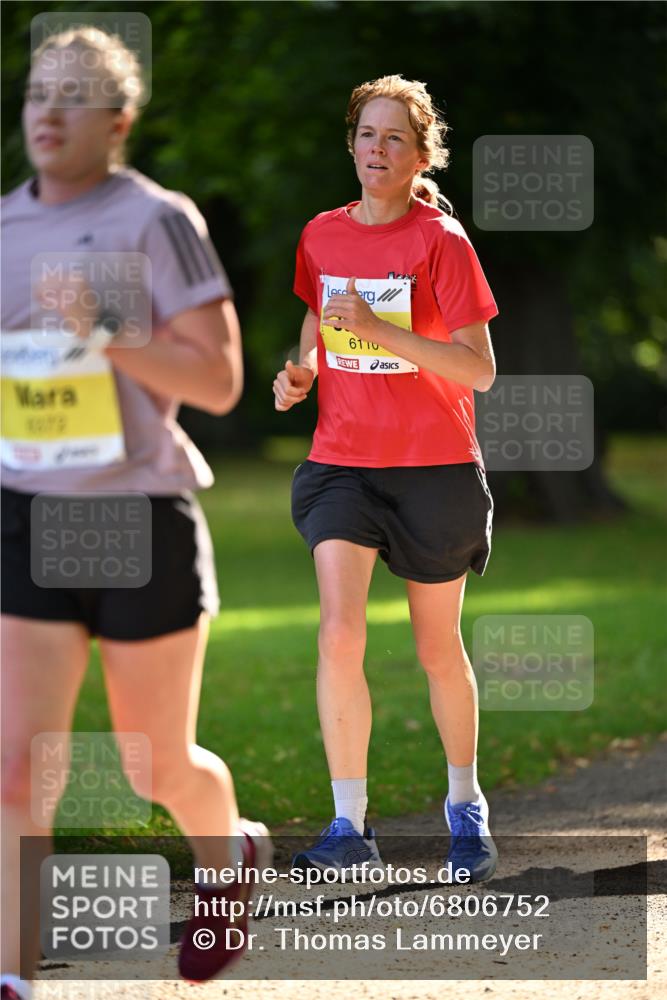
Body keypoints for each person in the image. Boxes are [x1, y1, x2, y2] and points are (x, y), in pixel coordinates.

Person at [1, 28, 269, 999]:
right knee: (15, 771)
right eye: (38, 94)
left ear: (117, 121)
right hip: (28, 512)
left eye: (73, 98)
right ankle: (13, 976)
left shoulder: (158, 220)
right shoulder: (2, 228)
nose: (47, 113)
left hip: (136, 513)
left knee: (155, 765)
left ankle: (228, 851)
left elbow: (223, 379)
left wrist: (108, 330)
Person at [273, 75, 499, 883]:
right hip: (342, 462)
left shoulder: (442, 242)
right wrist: (301, 372)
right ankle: (347, 824)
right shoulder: (322, 234)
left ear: (419, 155)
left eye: (394, 139)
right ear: (352, 145)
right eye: (366, 135)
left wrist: (376, 332)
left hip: (433, 468)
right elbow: (315, 319)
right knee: (339, 631)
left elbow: (478, 371)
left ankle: (464, 808)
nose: (377, 150)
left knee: (438, 650)